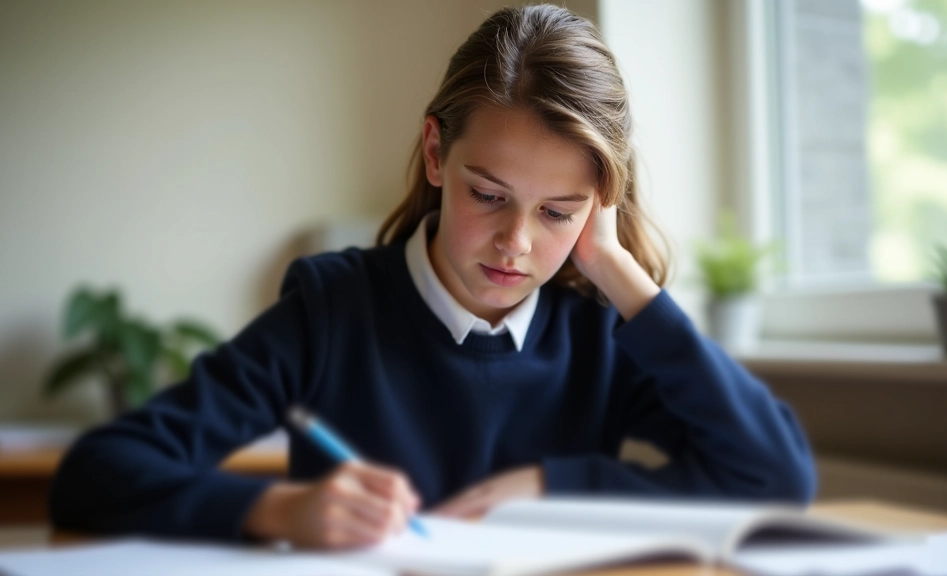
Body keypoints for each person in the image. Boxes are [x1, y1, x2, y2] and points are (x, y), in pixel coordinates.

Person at [50, 4, 815, 550]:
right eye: (489, 196)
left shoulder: (599, 330)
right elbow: (96, 473)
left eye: (559, 212)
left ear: (599, 209)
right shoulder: (331, 308)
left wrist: (615, 278)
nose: (515, 244)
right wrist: (280, 510)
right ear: (435, 154)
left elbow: (775, 479)